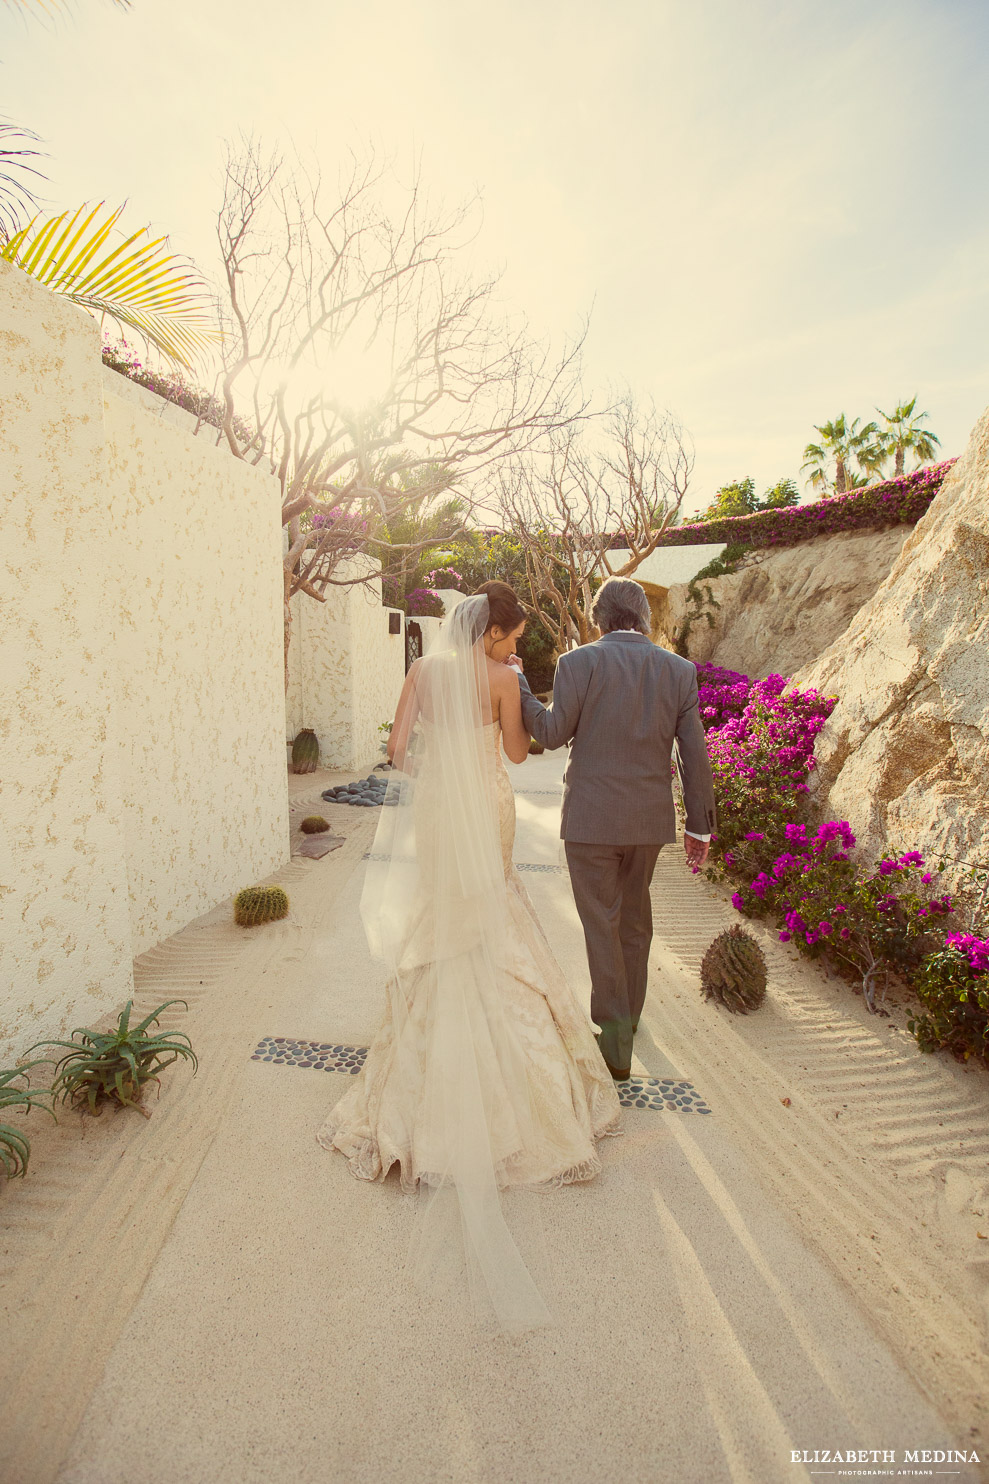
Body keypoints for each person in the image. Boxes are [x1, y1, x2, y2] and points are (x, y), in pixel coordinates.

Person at [317, 581, 621, 1332]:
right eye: (514, 636)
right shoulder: (502, 679)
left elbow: (395, 750)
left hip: (441, 805)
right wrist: (499, 722)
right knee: (493, 913)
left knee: (442, 917)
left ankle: (421, 1076)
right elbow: (517, 754)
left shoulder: (423, 671)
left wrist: (434, 773)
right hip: (486, 803)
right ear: (491, 633)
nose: (518, 647)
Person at [514, 576, 716, 1081]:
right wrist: (700, 828)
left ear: (599, 617)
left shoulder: (577, 663)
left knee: (601, 926)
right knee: (634, 921)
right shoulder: (679, 671)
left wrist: (517, 683)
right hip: (648, 822)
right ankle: (630, 1015)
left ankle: (614, 1041)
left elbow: (551, 733)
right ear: (643, 617)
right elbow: (694, 754)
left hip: (589, 820)